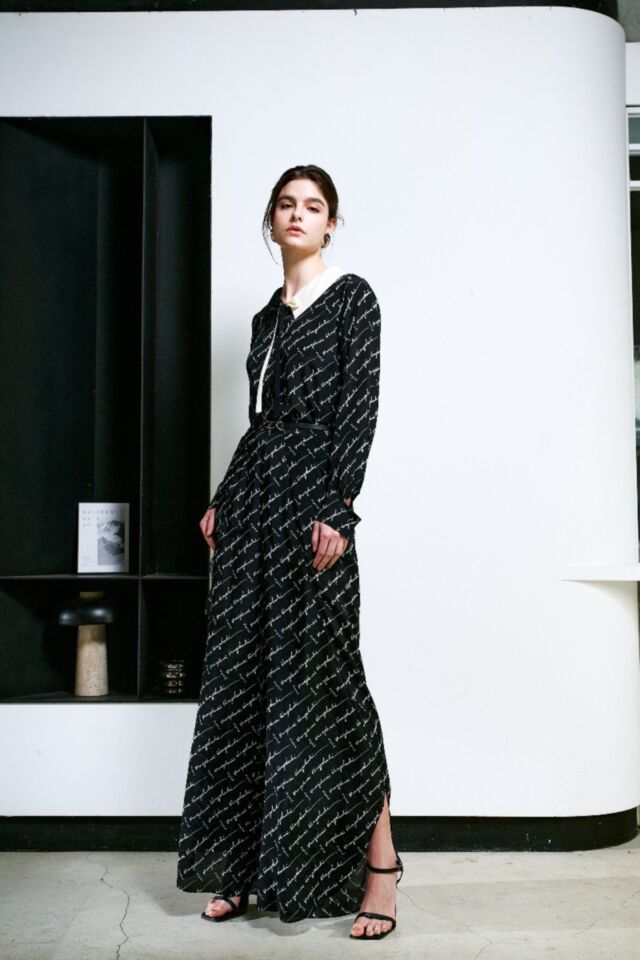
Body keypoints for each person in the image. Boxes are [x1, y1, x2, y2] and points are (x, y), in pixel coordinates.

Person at [176, 164, 403, 940]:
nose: (298, 215)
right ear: (272, 221)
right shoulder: (265, 319)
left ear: (332, 223)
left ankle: (380, 872)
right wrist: (223, 497)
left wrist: (339, 507)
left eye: (313, 206)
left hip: (312, 507)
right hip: (254, 506)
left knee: (331, 686)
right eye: (286, 204)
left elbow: (358, 410)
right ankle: (246, 870)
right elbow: (259, 423)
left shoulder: (353, 299)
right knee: (246, 683)